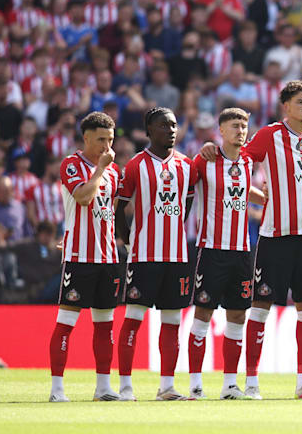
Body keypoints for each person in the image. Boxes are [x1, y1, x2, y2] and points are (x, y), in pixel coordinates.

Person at [200, 80, 302, 400]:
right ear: (285, 106)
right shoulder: (269, 135)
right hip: (274, 237)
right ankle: (251, 383)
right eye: (300, 102)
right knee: (260, 307)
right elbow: (237, 159)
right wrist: (211, 148)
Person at [185, 108, 267, 400]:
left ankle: (230, 385)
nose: (240, 131)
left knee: (238, 316)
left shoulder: (247, 161)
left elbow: (243, 190)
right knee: (202, 314)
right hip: (211, 250)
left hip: (241, 252)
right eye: (235, 126)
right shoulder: (206, 160)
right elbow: (184, 183)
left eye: (244, 126)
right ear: (221, 130)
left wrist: (266, 200)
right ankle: (195, 385)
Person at [114, 107, 195, 401]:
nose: (170, 130)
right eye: (163, 125)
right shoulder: (136, 165)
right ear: (149, 130)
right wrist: (128, 240)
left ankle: (167, 387)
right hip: (144, 256)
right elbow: (119, 208)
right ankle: (125, 387)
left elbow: (187, 205)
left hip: (177, 257)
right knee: (134, 319)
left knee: (172, 322)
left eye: (173, 125)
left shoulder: (187, 165)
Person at [47, 112, 121, 402]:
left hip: (108, 258)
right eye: (101, 139)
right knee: (66, 322)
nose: (106, 146)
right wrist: (100, 169)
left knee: (105, 326)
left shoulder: (114, 172)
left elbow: (109, 211)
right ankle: (57, 390)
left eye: (110, 139)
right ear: (86, 138)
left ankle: (103, 388)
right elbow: (83, 198)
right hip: (79, 257)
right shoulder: (71, 164)